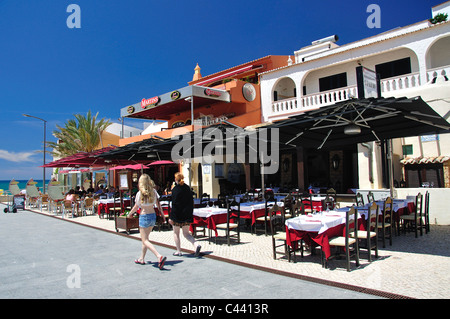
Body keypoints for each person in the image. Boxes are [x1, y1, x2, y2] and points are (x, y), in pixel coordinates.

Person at [127, 174, 167, 269]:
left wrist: (129, 214)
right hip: (153, 215)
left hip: (144, 215)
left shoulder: (139, 193)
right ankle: (141, 258)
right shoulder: (154, 191)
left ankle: (158, 256)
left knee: (144, 240)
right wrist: (162, 215)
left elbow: (136, 206)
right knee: (145, 239)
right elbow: (158, 205)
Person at [169, 172, 201, 257]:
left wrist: (171, 216)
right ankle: (196, 245)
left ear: (176, 179)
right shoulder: (187, 188)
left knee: (176, 233)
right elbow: (191, 202)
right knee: (186, 234)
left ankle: (178, 251)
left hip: (177, 215)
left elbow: (174, 204)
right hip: (187, 214)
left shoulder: (175, 189)